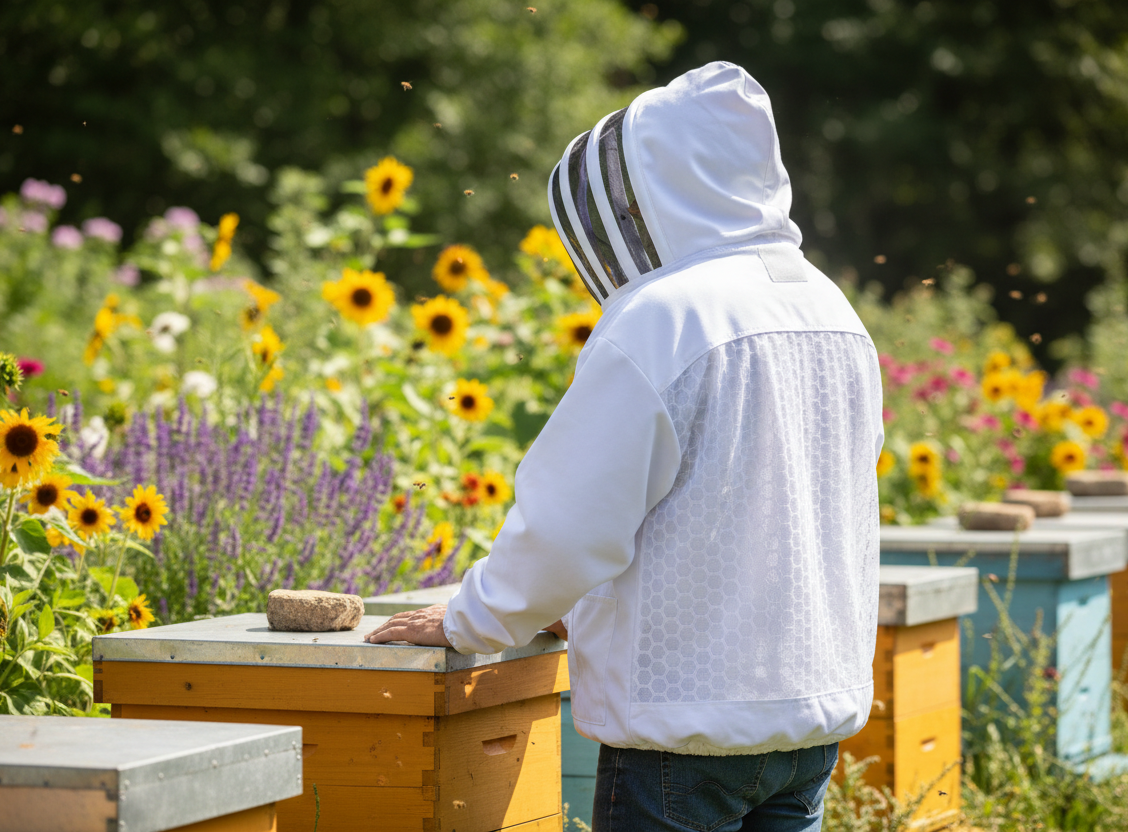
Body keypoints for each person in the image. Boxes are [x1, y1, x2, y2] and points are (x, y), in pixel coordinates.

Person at [368, 61, 884, 832]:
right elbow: (776, 511)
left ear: (662, 187)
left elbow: (571, 520)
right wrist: (585, 615)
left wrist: (473, 619)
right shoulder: (832, 309)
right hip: (809, 726)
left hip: (683, 739)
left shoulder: (665, 316)